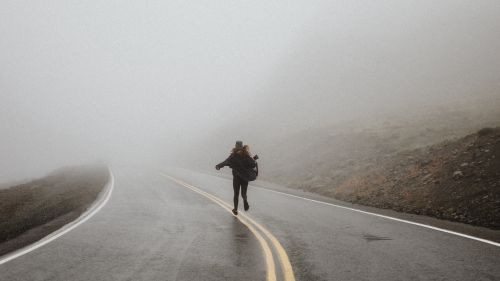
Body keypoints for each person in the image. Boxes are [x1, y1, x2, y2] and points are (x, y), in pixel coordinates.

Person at [215, 141, 258, 215]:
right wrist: (254, 159)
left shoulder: (233, 156)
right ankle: (245, 200)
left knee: (236, 194)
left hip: (236, 178)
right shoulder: (245, 155)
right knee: (243, 193)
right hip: (245, 177)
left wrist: (218, 166)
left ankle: (235, 209)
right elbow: (252, 164)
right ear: (241, 146)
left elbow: (225, 162)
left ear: (235, 146)